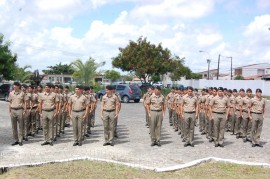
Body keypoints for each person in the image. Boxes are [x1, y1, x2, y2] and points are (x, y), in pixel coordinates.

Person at [8, 82, 26, 146]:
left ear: (18, 86)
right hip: (13, 110)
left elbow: (25, 102)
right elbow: (9, 102)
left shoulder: (22, 93)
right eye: (14, 85)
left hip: (20, 110)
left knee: (21, 126)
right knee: (14, 126)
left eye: (15, 85)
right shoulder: (11, 93)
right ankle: (16, 140)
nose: (14, 86)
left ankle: (20, 140)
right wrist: (9, 111)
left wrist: (24, 111)